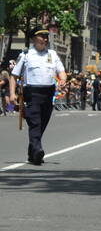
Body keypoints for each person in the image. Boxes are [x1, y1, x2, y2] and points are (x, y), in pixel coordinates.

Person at [8, 30, 67, 165]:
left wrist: (63, 80)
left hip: (48, 93)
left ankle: (32, 151)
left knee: (43, 122)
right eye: (42, 37)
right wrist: (12, 94)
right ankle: (38, 150)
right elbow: (14, 76)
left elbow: (61, 71)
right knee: (35, 123)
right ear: (34, 39)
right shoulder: (26, 55)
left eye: (47, 37)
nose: (45, 39)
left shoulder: (52, 54)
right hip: (32, 93)